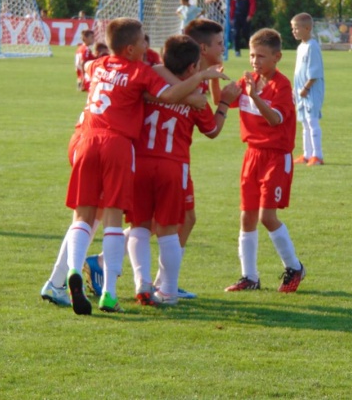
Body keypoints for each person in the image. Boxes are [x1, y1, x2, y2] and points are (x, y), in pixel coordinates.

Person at [57, 18, 227, 315]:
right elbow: (203, 122)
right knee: (157, 227)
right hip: (145, 156)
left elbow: (133, 81)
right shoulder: (144, 75)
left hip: (101, 145)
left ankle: (98, 276)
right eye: (143, 42)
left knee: (103, 220)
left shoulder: (100, 66)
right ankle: (143, 291)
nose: (147, 46)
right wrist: (205, 89)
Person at [128, 35, 240, 305]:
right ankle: (167, 291)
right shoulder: (196, 98)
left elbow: (153, 77)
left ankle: (142, 282)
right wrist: (224, 103)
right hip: (172, 165)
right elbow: (212, 130)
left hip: (139, 162)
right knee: (168, 231)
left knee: (139, 226)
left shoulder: (149, 82)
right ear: (192, 68)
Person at [224, 28, 306, 294]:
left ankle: (294, 267)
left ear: (277, 57)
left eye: (260, 56)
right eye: (252, 55)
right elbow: (221, 100)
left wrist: (255, 96)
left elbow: (274, 119)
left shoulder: (281, 86)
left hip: (275, 157)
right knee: (247, 216)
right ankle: (249, 277)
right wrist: (213, 78)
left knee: (267, 216)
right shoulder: (249, 80)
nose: (254, 61)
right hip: (252, 156)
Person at [291, 13, 325, 166]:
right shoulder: (301, 47)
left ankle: (317, 155)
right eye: (293, 28)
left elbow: (315, 72)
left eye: (296, 28)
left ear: (307, 28)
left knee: (312, 121)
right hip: (301, 91)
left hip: (311, 91)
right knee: (304, 122)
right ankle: (307, 154)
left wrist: (306, 87)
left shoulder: (312, 46)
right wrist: (296, 88)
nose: (294, 31)